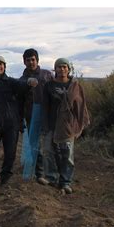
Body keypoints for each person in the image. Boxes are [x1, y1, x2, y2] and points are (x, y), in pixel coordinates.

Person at [0, 55, 35, 186]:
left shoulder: (11, 82)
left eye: (1, 64)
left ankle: (5, 178)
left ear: (4, 67)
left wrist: (29, 82)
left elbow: (22, 86)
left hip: (11, 125)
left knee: (10, 154)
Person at [42, 58, 90, 194]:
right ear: (55, 69)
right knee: (48, 152)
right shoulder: (49, 86)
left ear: (68, 69)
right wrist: (45, 125)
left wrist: (80, 124)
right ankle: (52, 178)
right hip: (51, 124)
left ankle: (66, 182)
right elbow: (45, 107)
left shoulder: (74, 86)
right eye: (59, 67)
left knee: (67, 155)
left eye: (64, 67)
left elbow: (80, 106)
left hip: (68, 125)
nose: (62, 69)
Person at [19, 48, 53, 185]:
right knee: (35, 145)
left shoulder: (47, 75)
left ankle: (53, 173)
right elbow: (19, 101)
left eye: (33, 59)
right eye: (28, 60)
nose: (31, 62)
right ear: (24, 61)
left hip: (48, 115)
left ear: (37, 60)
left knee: (51, 144)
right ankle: (39, 174)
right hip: (30, 116)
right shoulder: (22, 80)